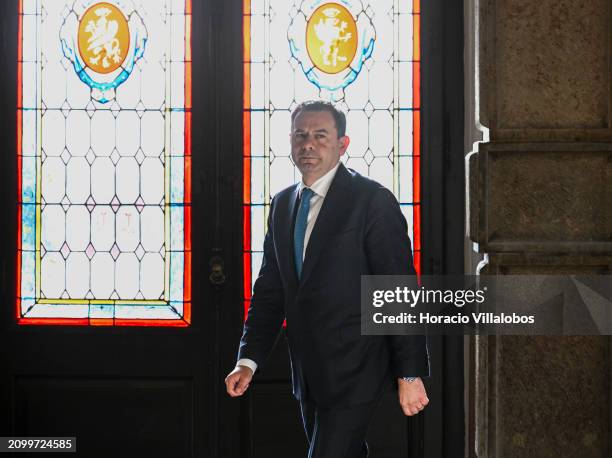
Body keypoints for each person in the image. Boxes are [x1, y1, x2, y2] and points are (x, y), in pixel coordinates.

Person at [225, 100, 429, 457]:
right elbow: (271, 292)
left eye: (321, 136)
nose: (308, 144)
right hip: (308, 371)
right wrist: (249, 359)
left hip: (358, 366)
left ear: (342, 144)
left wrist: (409, 374)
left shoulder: (371, 200)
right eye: (300, 135)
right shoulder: (283, 205)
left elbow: (398, 291)